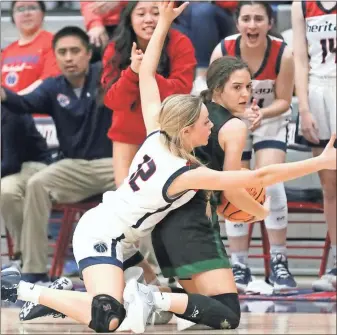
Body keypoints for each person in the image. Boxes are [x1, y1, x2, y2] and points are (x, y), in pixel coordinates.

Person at [2, 2, 337, 334]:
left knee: (152, 314)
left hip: (127, 239)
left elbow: (146, 74)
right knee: (109, 317)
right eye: (206, 123)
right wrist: (320, 161)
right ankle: (22, 289)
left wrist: (163, 24)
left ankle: (63, 295)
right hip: (101, 235)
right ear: (187, 129)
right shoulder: (183, 172)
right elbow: (259, 176)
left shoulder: (156, 132)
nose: (211, 129)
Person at [0, 26, 115, 284]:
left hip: (113, 164)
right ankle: (34, 269)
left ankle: (151, 271)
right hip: (74, 166)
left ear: (89, 54)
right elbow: (23, 103)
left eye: (75, 51)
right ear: (55, 57)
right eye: (62, 52)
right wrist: (4, 93)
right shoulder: (52, 87)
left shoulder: (106, 77)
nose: (69, 57)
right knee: (37, 184)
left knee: (145, 188)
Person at [211, 1, 296, 292]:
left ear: (269, 23)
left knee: (271, 183)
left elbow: (284, 100)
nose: (252, 24)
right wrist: (238, 116)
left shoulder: (283, 53)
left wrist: (261, 113)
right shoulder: (222, 51)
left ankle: (279, 261)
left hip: (270, 118)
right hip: (232, 119)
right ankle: (239, 265)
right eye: (246, 18)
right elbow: (213, 98)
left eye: (259, 18)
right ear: (237, 23)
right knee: (236, 182)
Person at [102, 0, 196, 187]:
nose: (148, 19)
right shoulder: (115, 48)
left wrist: (146, 71)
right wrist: (132, 72)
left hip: (169, 133)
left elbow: (181, 90)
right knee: (125, 196)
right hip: (126, 135)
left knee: (168, 195)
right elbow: (112, 100)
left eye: (155, 13)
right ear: (129, 18)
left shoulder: (180, 43)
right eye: (141, 14)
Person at [292, 0, 336, 292]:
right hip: (318, 93)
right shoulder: (302, 4)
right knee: (330, 187)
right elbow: (299, 59)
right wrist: (305, 108)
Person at [1, 106, 51, 263]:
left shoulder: (10, 113)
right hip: (10, 169)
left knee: (7, 191)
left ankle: (25, 252)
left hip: (34, 165)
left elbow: (11, 162)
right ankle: (26, 251)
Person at [172, 1, 238, 94]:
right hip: (182, 14)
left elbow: (232, 3)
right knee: (173, 28)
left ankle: (202, 75)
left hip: (219, 15)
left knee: (201, 12)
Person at [1, 1, 60, 99]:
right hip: (9, 111)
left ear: (43, 14)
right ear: (13, 17)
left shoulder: (53, 43)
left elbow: (48, 80)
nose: (26, 13)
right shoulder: (7, 51)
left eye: (32, 8)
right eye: (20, 9)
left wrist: (15, 99)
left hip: (39, 111)